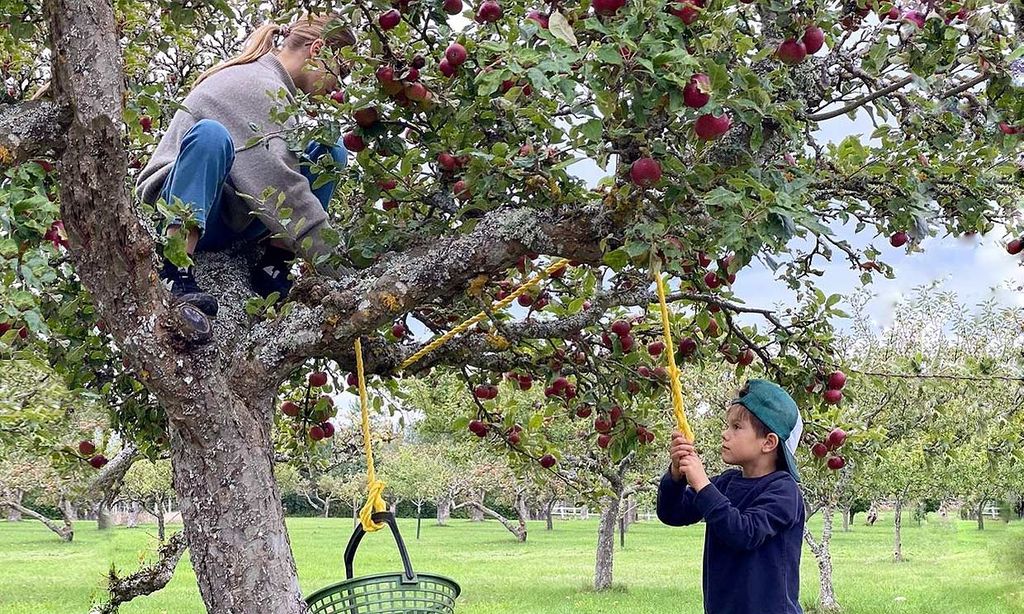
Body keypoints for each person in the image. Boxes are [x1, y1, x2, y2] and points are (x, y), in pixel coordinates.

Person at [136, 13, 355, 317]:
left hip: (228, 213)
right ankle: (176, 270)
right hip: (180, 205)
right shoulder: (256, 84)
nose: (337, 86)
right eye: (340, 71)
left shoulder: (279, 90)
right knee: (210, 135)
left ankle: (273, 267)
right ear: (317, 50)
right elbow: (281, 188)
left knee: (330, 147)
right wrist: (343, 275)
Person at [657, 379, 806, 614]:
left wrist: (702, 484)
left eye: (736, 427)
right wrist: (676, 476)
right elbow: (672, 513)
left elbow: (744, 533)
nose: (725, 434)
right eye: (727, 425)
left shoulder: (783, 491)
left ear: (768, 442)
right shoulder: (726, 483)